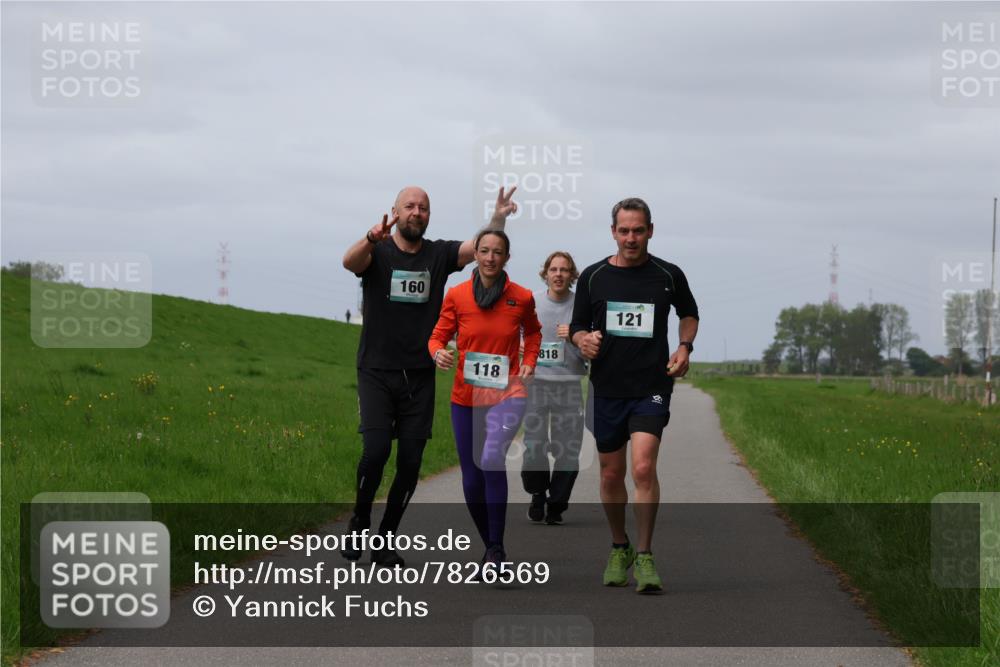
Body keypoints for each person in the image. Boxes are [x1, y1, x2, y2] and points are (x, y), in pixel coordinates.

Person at [341, 186, 518, 567]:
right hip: (375, 369)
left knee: (409, 462)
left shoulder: (437, 254)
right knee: (375, 453)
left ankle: (386, 539)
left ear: (428, 216)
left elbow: (479, 247)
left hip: (420, 373)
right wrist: (372, 237)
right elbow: (349, 262)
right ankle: (359, 518)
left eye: (423, 208)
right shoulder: (378, 251)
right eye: (409, 206)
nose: (416, 213)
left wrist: (499, 216)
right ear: (395, 212)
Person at [570, 197, 699, 593]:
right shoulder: (592, 277)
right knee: (611, 474)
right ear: (613, 232)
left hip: (651, 387)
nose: (631, 238)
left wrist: (683, 347)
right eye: (624, 230)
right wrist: (583, 340)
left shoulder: (668, 275)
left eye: (638, 230)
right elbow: (576, 327)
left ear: (650, 231)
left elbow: (689, 313)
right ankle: (619, 545)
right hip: (607, 388)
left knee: (642, 468)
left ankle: (644, 555)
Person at [428, 229, 542, 568]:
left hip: (508, 393)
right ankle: (491, 546)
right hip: (465, 396)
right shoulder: (457, 295)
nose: (491, 257)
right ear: (475, 255)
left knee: (491, 458)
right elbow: (438, 337)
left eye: (498, 252)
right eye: (485, 251)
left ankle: (495, 548)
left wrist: (529, 361)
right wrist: (438, 354)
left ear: (507, 257)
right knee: (471, 476)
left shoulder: (520, 297)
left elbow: (534, 332)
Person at [521, 251, 588, 525]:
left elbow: (591, 348)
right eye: (554, 269)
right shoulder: (532, 303)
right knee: (534, 445)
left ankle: (557, 503)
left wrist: (574, 336)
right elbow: (516, 335)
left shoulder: (581, 306)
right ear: (545, 273)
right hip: (536, 384)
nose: (559, 274)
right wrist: (521, 347)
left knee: (567, 448)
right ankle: (538, 492)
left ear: (572, 276)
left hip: (569, 385)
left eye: (564, 270)